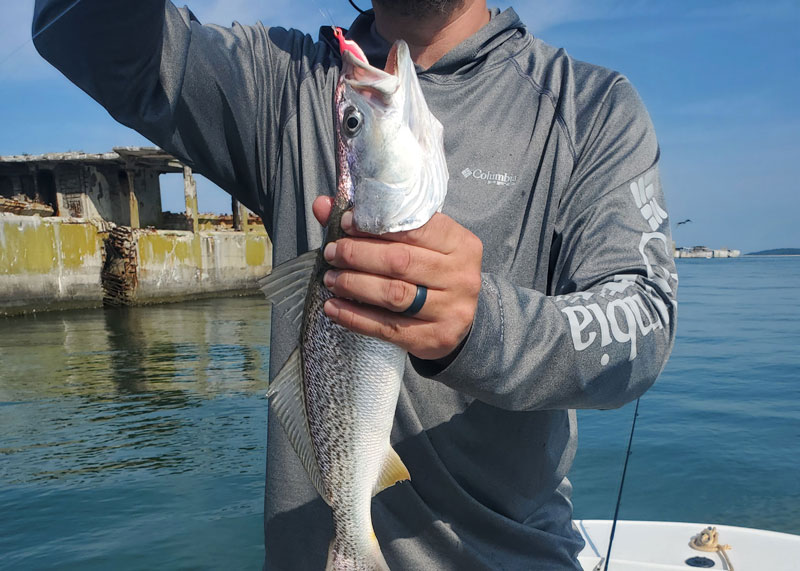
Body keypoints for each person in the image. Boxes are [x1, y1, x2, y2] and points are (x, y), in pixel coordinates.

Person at [32, 0, 678, 568]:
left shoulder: (589, 106)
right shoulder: (282, 80)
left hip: (511, 556)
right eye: (350, 121)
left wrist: (480, 325)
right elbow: (82, 26)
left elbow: (640, 333)